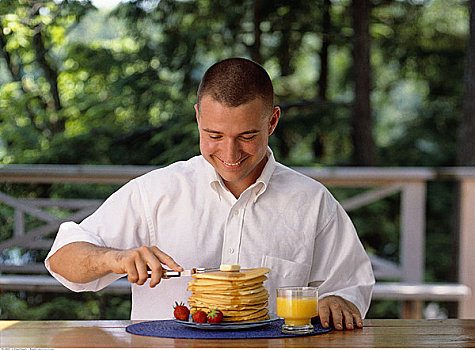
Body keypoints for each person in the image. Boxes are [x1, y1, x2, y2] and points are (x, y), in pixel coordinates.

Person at [46, 57, 374, 330]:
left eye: (247, 136)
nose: (229, 153)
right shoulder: (155, 192)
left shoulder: (313, 202)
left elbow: (349, 287)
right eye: (214, 134)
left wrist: (339, 300)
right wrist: (113, 258)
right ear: (198, 117)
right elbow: (63, 261)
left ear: (272, 121)